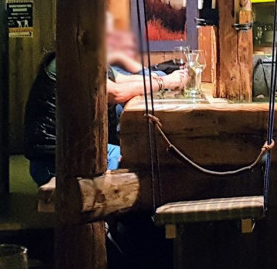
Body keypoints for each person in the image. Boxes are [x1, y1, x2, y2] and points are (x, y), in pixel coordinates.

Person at [25, 20, 187, 186]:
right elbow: (116, 93)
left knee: (146, 158)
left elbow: (124, 79)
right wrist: (165, 82)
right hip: (55, 160)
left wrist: (161, 78)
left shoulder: (84, 58)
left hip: (70, 150)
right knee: (142, 161)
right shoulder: (71, 63)